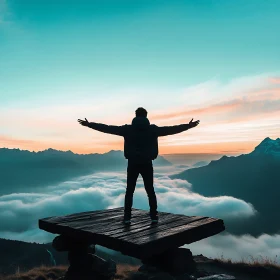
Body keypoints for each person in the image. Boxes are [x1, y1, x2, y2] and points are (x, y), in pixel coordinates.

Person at [78, 107, 200, 225]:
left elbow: (108, 128)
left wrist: (90, 124)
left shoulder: (127, 129)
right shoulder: (153, 130)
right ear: (146, 116)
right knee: (150, 191)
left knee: (129, 191)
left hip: (132, 163)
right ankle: (154, 217)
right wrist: (188, 126)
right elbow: (171, 129)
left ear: (135, 116)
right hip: (147, 163)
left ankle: (127, 218)